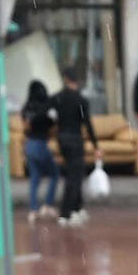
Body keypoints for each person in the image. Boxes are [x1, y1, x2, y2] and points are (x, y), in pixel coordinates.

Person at [49, 71, 96, 227]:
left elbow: (47, 113)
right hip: (75, 139)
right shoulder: (81, 100)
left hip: (62, 139)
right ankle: (67, 212)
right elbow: (87, 123)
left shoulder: (58, 98)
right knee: (75, 177)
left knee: (72, 173)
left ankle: (76, 208)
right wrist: (96, 145)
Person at [17, 77, 60, 219]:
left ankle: (33, 209)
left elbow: (25, 125)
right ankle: (47, 204)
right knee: (54, 173)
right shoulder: (45, 108)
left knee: (34, 178)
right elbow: (53, 126)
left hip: (29, 144)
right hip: (41, 143)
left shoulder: (26, 107)